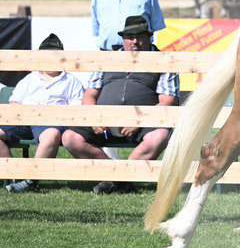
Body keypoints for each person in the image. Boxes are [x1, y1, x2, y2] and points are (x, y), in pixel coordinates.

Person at [62, 16, 179, 194]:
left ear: (149, 37)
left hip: (144, 125)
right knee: (70, 137)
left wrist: (141, 121)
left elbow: (167, 101)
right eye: (130, 37)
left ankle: (114, 181)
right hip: (104, 123)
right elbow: (89, 95)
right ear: (123, 40)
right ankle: (120, 180)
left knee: (159, 137)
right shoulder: (107, 59)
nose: (135, 42)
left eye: (140, 36)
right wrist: (95, 118)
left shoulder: (164, 61)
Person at [1, 34, 85, 193]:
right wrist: (26, 114)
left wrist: (50, 115)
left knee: (52, 135)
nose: (51, 60)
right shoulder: (30, 79)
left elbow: (75, 108)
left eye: (55, 56)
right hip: (24, 120)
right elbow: (14, 102)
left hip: (51, 122)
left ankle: (31, 180)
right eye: (46, 56)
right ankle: (14, 176)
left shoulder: (71, 81)